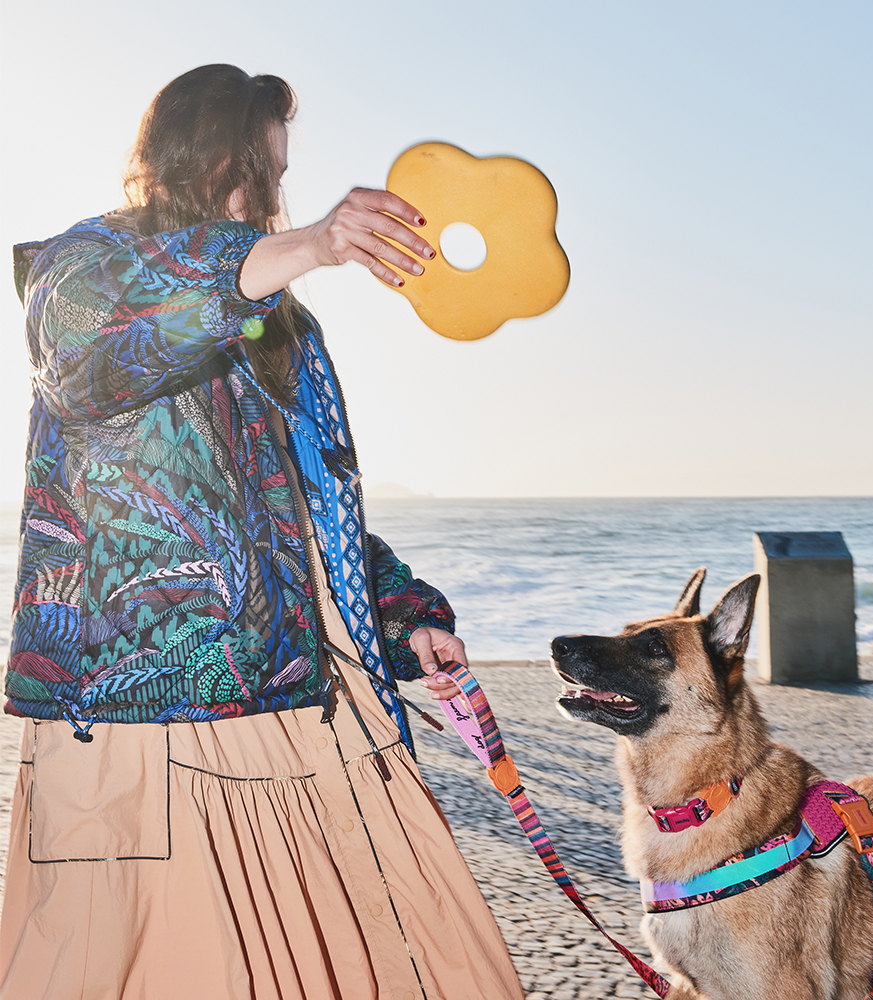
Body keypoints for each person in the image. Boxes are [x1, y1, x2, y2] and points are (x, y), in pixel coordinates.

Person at [0, 64, 525, 1000]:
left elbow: (309, 517)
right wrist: (313, 245)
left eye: (279, 178)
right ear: (200, 164)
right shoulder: (78, 271)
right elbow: (87, 352)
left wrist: (406, 618)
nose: (271, 201)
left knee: (423, 957)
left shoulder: (288, 328)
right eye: (260, 175)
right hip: (140, 725)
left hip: (300, 702)